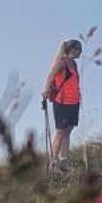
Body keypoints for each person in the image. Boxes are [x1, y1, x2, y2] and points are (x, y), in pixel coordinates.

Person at [42, 39, 83, 168]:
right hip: (62, 102)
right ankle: (53, 162)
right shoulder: (62, 63)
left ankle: (64, 161)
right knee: (60, 131)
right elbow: (50, 76)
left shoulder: (74, 64)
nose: (81, 52)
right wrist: (46, 90)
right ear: (72, 50)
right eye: (79, 49)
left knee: (68, 130)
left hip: (73, 102)